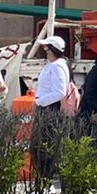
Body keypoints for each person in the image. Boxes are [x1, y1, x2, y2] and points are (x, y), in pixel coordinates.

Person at [31, 35, 73, 178]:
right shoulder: (53, 65)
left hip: (49, 108)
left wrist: (39, 102)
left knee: (42, 144)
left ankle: (46, 174)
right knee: (40, 144)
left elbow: (59, 91)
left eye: (47, 48)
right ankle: (44, 173)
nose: (45, 51)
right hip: (46, 106)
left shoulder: (57, 66)